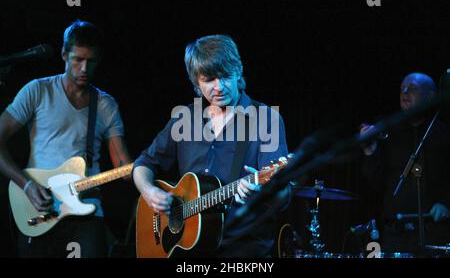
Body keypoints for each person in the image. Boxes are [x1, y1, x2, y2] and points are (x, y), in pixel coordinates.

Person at [133, 34, 290, 258]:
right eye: (208, 79)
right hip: (188, 248)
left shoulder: (266, 119)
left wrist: (262, 191)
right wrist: (149, 192)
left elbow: (282, 194)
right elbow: (143, 164)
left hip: (243, 248)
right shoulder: (184, 118)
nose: (219, 87)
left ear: (238, 71)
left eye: (225, 76)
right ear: (196, 81)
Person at [0, 20, 132, 257]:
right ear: (63, 54)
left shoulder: (105, 105)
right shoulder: (38, 91)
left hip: (87, 212)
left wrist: (146, 166)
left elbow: (123, 165)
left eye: (90, 62)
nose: (84, 69)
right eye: (77, 59)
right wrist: (27, 184)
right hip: (38, 207)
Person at [360, 72, 450, 254]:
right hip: (396, 233)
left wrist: (446, 203)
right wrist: (370, 152)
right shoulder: (389, 130)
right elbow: (376, 183)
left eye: (413, 89)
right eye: (402, 89)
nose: (405, 92)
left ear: (430, 96)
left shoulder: (443, 133)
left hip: (434, 231)